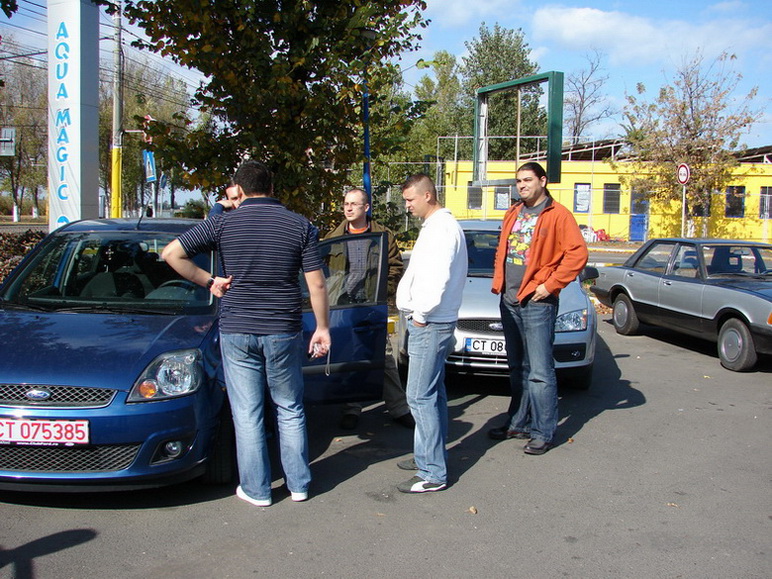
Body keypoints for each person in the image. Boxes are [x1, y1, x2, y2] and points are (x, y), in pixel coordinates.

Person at [162, 160, 330, 507]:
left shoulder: (222, 223)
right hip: (282, 328)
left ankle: (257, 490)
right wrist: (322, 328)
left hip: (237, 329)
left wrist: (209, 281)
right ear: (272, 187)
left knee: (248, 413)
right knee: (289, 408)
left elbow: (171, 254)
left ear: (239, 189)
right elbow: (316, 284)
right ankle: (299, 485)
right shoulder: (300, 225)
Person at [489, 162, 588, 455]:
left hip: (537, 302)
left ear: (542, 181)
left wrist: (550, 285)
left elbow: (577, 254)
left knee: (540, 371)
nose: (521, 185)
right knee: (517, 367)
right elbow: (503, 250)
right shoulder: (513, 212)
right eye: (518, 181)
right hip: (509, 300)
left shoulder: (558, 215)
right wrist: (500, 284)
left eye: (527, 180)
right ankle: (518, 422)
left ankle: (543, 432)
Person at [395, 174, 467, 493]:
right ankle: (427, 455)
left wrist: (421, 315)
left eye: (410, 199)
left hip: (431, 321)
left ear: (427, 195)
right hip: (432, 320)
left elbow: (437, 278)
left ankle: (433, 472)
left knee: (419, 395)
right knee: (432, 392)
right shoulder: (436, 226)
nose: (407, 206)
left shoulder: (442, 229)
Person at [324, 188, 414, 430]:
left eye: (354, 204)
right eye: (346, 203)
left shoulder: (382, 235)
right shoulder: (332, 237)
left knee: (383, 356)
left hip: (371, 306)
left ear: (366, 207)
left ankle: (399, 409)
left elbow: (395, 267)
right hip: (342, 306)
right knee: (349, 357)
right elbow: (322, 271)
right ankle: (352, 408)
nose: (348, 208)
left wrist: (382, 294)